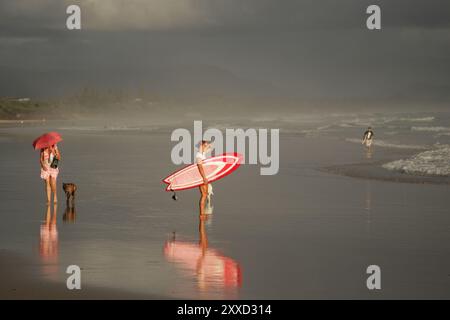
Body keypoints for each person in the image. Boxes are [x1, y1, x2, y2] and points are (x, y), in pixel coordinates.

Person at [196, 140, 211, 216]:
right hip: (201, 177)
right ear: (201, 146)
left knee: (205, 194)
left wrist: (207, 144)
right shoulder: (199, 155)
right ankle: (201, 214)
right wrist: (204, 178)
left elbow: (211, 147)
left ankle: (203, 212)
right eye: (205, 146)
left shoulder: (203, 153)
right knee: (203, 195)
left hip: (205, 177)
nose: (206, 147)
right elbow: (200, 167)